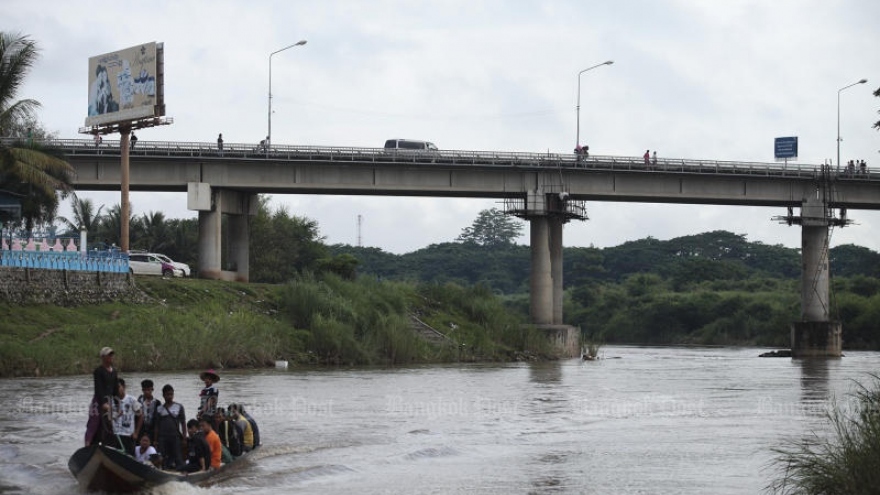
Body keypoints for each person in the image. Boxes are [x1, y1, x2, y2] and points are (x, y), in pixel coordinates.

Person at [85, 347, 117, 446]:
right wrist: (103, 403)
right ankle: (88, 444)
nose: (111, 357)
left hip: (110, 400)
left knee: (109, 426)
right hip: (99, 401)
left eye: (112, 355)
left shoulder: (114, 371)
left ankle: (107, 445)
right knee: (94, 424)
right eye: (109, 355)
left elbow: (115, 389)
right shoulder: (98, 371)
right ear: (103, 357)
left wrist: (117, 403)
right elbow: (98, 388)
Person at [154, 384, 187, 470]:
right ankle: (164, 471)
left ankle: (181, 473)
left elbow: (183, 423)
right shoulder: (159, 409)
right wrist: (155, 440)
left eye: (171, 394)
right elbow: (157, 425)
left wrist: (184, 438)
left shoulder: (179, 407)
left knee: (178, 456)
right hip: (162, 437)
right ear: (163, 395)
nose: (170, 396)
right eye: (167, 394)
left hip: (175, 437)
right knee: (163, 457)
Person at [111, 378, 143, 455]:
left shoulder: (132, 400)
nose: (117, 389)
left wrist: (136, 433)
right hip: (115, 434)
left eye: (118, 387)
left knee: (129, 456)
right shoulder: (111, 400)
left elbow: (141, 415)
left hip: (128, 435)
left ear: (124, 387)